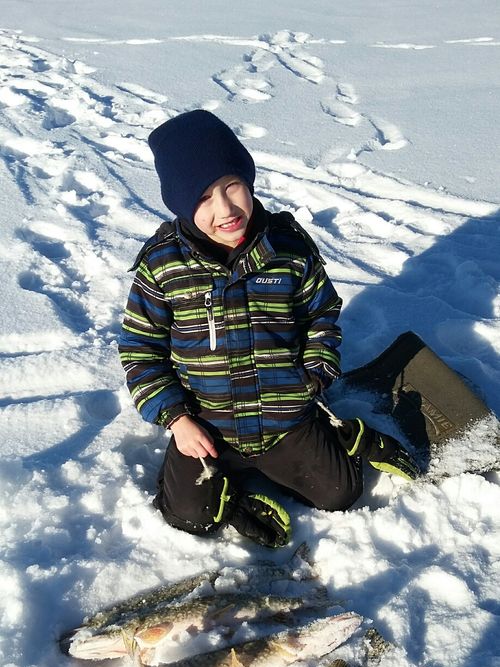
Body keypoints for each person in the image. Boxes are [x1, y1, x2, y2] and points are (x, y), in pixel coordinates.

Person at [118, 110, 418, 548]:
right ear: (181, 204)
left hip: (284, 417)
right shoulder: (165, 265)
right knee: (189, 517)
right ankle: (234, 498)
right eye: (203, 198)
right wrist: (178, 418)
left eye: (231, 186)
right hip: (208, 427)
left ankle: (348, 439)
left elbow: (321, 314)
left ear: (248, 179)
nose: (225, 209)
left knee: (339, 494)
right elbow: (140, 348)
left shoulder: (288, 249)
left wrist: (315, 371)